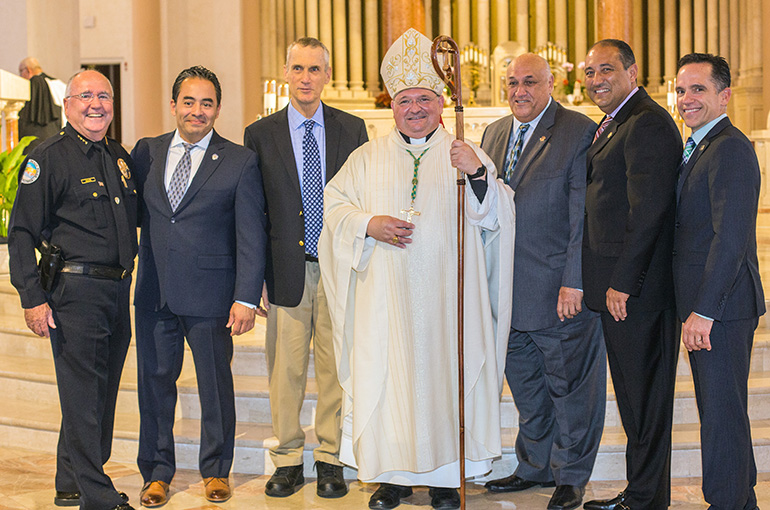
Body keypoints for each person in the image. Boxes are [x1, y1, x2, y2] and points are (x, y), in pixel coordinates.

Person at [318, 28, 515, 510]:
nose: (415, 108)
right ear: (393, 106)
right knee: (390, 385)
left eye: (424, 98)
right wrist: (369, 223)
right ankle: (393, 478)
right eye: (406, 100)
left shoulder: (464, 152)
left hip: (449, 305)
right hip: (385, 306)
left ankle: (448, 480)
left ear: (441, 102)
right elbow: (334, 208)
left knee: (443, 385)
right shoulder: (365, 158)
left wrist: (477, 174)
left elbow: (500, 216)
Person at [130, 66, 267, 506]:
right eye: (188, 101)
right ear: (173, 105)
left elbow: (251, 234)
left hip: (211, 296)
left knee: (214, 386)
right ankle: (156, 472)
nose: (197, 111)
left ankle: (215, 471)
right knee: (154, 384)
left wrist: (246, 296)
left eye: (206, 103)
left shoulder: (239, 160)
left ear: (218, 109)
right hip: (154, 293)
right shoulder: (146, 153)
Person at [243, 37, 368, 499]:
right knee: (286, 371)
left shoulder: (352, 129)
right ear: (286, 73)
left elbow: (362, 199)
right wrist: (252, 276)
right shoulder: (261, 134)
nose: (306, 78)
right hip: (285, 271)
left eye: (315, 69)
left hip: (337, 268)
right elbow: (253, 213)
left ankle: (331, 458)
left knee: (335, 370)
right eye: (298, 68)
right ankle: (289, 458)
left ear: (327, 75)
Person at [480, 53, 604, 510]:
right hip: (507, 293)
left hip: (558, 292)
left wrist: (574, 281)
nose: (519, 91)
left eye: (530, 82)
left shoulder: (577, 131)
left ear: (552, 83)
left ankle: (571, 476)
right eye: (511, 82)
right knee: (528, 389)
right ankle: (533, 466)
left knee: (571, 391)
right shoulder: (493, 134)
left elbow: (582, 214)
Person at [9, 69, 137, 510]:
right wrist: (32, 297)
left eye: (104, 96)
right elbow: (21, 233)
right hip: (74, 293)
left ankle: (70, 479)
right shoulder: (48, 157)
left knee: (98, 392)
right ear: (68, 104)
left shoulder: (118, 157)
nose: (96, 104)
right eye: (85, 96)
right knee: (84, 397)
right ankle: (97, 495)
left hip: (117, 293)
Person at [581, 39, 682, 510]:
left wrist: (623, 281)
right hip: (619, 290)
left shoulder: (647, 124)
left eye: (606, 69)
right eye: (589, 72)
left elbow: (650, 212)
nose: (596, 79)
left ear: (632, 71)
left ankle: (645, 500)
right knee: (635, 401)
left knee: (644, 401)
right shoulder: (617, 121)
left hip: (636, 294)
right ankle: (643, 493)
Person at [673, 53, 764, 509]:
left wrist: (704, 310)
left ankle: (729, 502)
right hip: (713, 306)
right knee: (721, 412)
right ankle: (739, 500)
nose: (686, 99)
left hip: (722, 309)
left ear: (724, 95)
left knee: (722, 415)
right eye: (681, 89)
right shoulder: (701, 145)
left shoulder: (729, 147)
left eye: (698, 89)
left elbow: (731, 240)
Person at [18, 57, 67, 145]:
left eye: (21, 71)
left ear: (28, 70)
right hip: (59, 137)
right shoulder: (59, 84)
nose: (20, 76)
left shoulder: (28, 86)